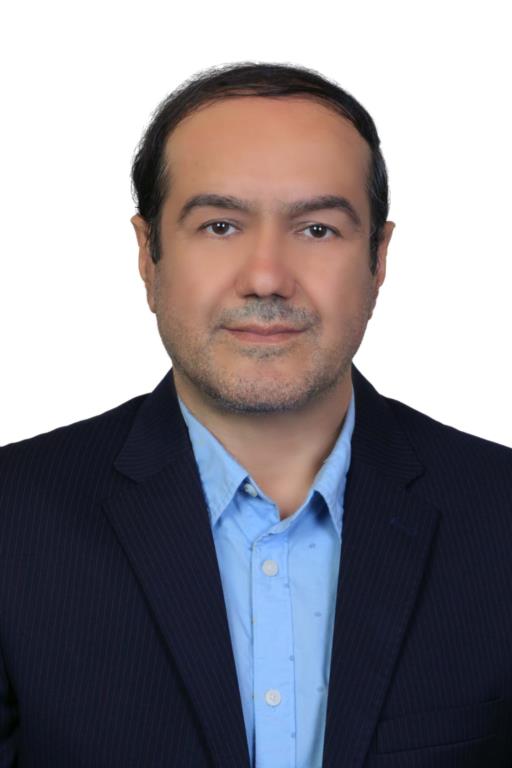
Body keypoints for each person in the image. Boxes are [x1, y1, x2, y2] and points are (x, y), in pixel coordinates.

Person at [0, 61, 511, 768]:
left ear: (378, 260)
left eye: (318, 230)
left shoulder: (499, 513)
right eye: (220, 225)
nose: (267, 277)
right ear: (148, 256)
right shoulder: (13, 518)